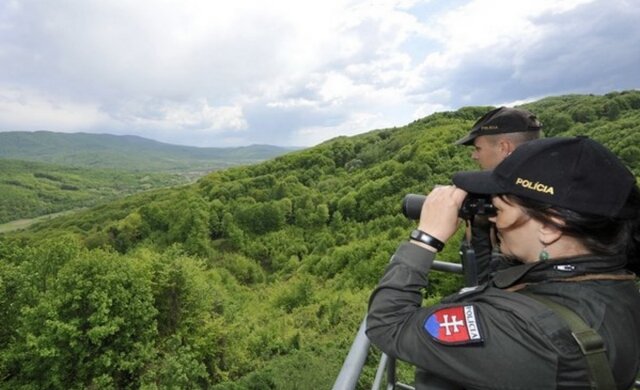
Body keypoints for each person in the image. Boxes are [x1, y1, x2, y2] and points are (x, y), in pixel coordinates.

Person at [367, 137, 640, 389]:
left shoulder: (524, 330)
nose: (495, 219)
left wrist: (427, 237)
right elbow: (506, 282)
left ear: (551, 226)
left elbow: (388, 325)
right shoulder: (613, 284)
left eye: (499, 210)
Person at [455, 107, 542, 285]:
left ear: (504, 147)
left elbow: (487, 283)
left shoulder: (526, 211)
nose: (474, 156)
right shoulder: (551, 190)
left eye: (478, 148)